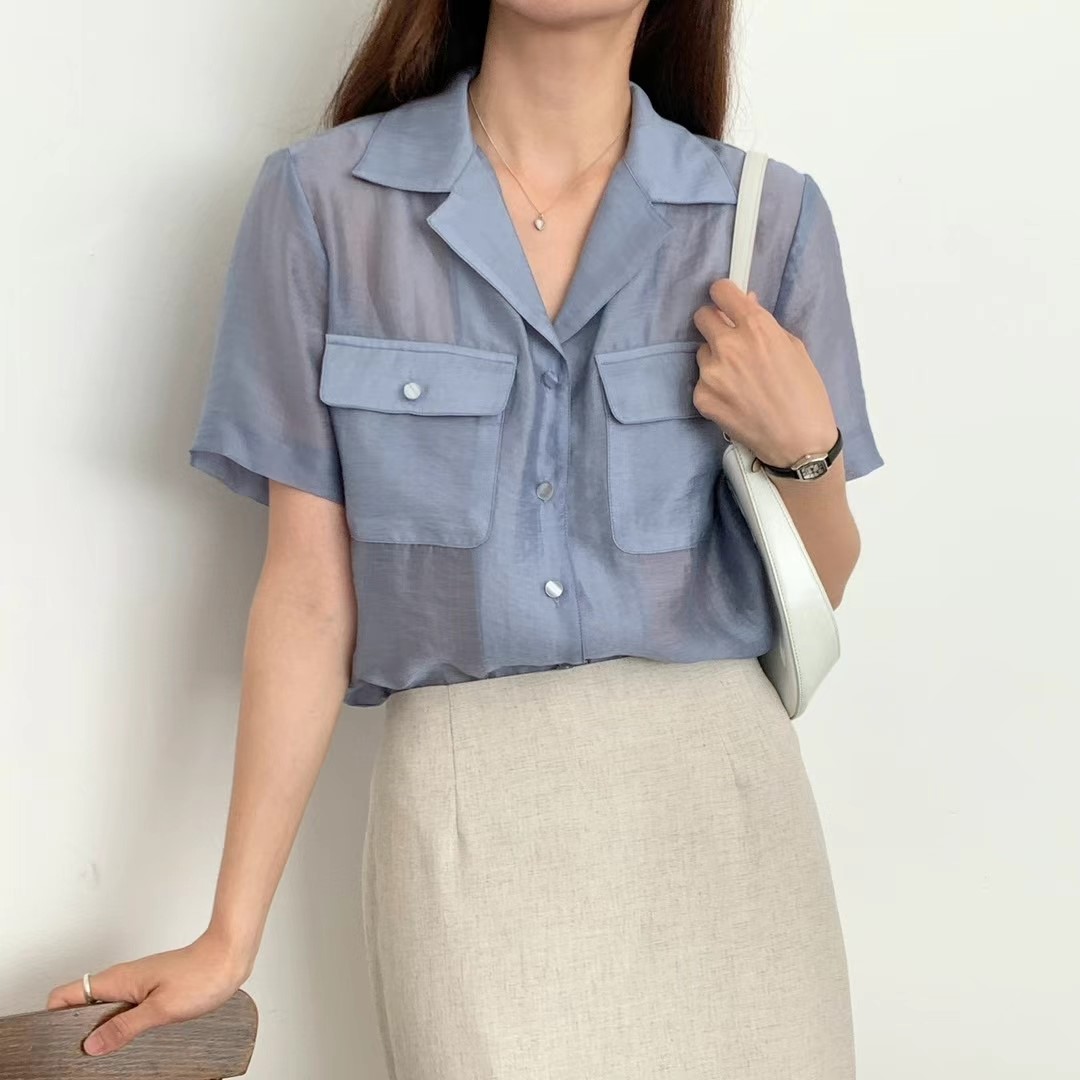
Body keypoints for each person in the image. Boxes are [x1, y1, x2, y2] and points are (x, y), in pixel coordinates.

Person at [46, 1, 885, 1076]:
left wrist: (807, 448)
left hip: (723, 815)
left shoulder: (768, 219)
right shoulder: (324, 204)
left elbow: (821, 585)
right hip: (465, 822)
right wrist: (229, 935)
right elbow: (309, 596)